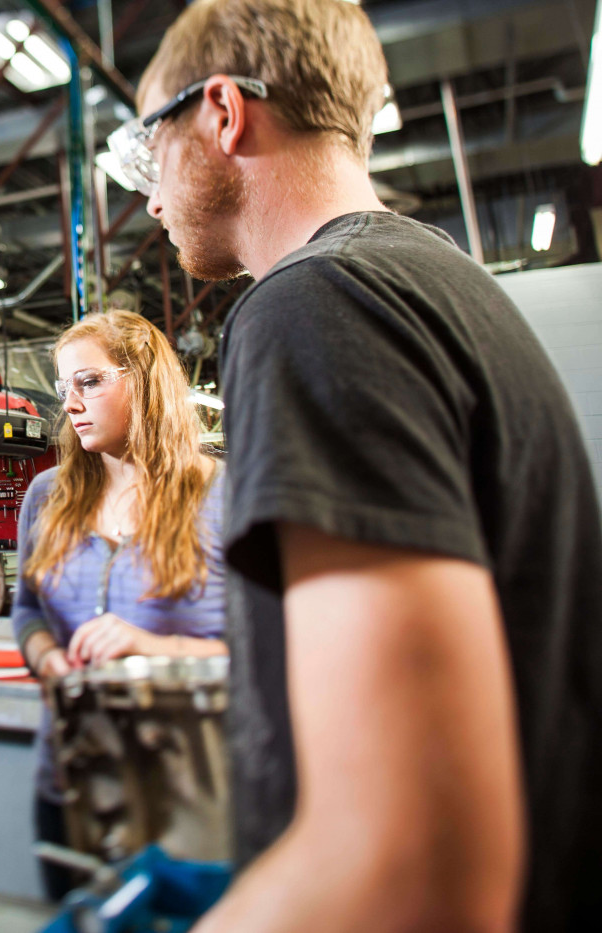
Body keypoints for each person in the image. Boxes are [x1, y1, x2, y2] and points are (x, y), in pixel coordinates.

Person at [121, 1, 602, 929]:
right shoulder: (438, 279)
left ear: (222, 112)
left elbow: (409, 869)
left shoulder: (313, 306)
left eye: (153, 150)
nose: (147, 198)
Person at [13, 309, 227, 900]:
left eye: (90, 382)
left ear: (146, 380)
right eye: (64, 388)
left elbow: (275, 649)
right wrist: (48, 659)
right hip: (70, 783)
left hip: (188, 796)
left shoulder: (225, 496)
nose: (71, 404)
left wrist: (154, 649)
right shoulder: (47, 497)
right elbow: (28, 611)